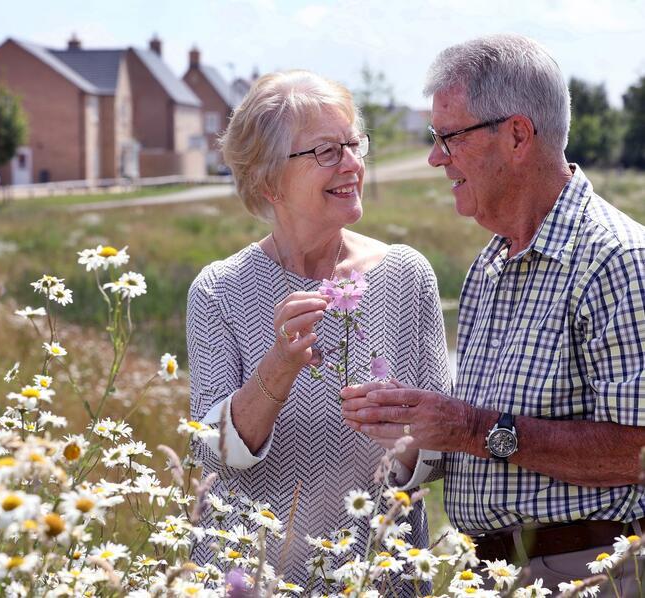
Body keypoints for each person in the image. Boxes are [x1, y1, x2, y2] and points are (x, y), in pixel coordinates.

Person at [342, 34, 645, 595]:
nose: (435, 157)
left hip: (589, 571)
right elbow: (483, 436)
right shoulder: (489, 264)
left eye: (449, 137)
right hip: (495, 573)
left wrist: (470, 428)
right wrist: (416, 427)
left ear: (517, 136)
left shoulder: (617, 260)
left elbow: (637, 450)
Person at [186, 70, 451, 586]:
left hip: (381, 579)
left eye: (354, 144)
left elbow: (441, 452)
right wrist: (279, 366)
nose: (353, 164)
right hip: (256, 582)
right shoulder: (220, 289)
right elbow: (212, 450)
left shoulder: (407, 274)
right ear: (267, 180)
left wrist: (409, 438)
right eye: (327, 151)